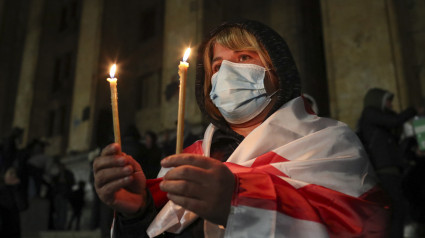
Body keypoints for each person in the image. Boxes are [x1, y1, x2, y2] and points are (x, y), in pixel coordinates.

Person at [93, 20, 390, 237]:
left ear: (278, 71)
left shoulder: (329, 144)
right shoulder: (190, 159)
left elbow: (361, 226)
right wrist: (139, 212)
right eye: (218, 65)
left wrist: (239, 202)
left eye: (244, 57)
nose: (227, 73)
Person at [357, 88, 423, 238]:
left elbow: (396, 146)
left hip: (394, 172)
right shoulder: (370, 114)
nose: (390, 105)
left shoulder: (384, 126)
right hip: (383, 173)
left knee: (399, 210)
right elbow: (394, 121)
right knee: (395, 210)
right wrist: (413, 110)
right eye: (388, 101)